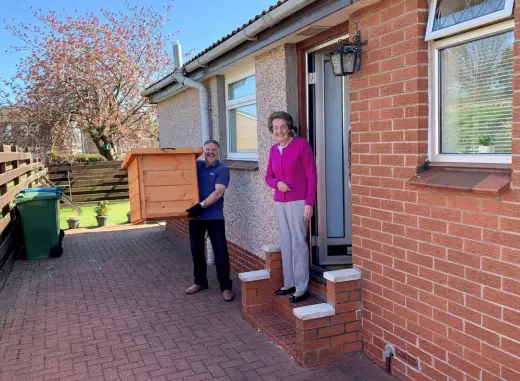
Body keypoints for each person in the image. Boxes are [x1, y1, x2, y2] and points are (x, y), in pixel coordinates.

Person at [265, 111, 317, 303]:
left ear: (289, 127)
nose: (279, 130)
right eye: (275, 128)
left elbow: (312, 175)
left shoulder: (301, 145)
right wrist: (276, 183)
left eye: (282, 127)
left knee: (298, 242)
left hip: (298, 201)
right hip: (280, 201)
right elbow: (268, 177)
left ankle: (302, 287)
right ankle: (290, 282)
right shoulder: (273, 150)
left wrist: (309, 203)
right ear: (272, 130)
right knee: (286, 242)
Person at [185, 139, 234, 302]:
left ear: (218, 152)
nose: (211, 152)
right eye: (208, 149)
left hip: (214, 217)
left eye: (214, 149)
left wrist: (202, 205)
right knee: (196, 250)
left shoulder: (222, 169)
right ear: (203, 151)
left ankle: (226, 287)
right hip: (196, 217)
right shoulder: (196, 166)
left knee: (220, 252)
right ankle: (200, 282)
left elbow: (219, 192)